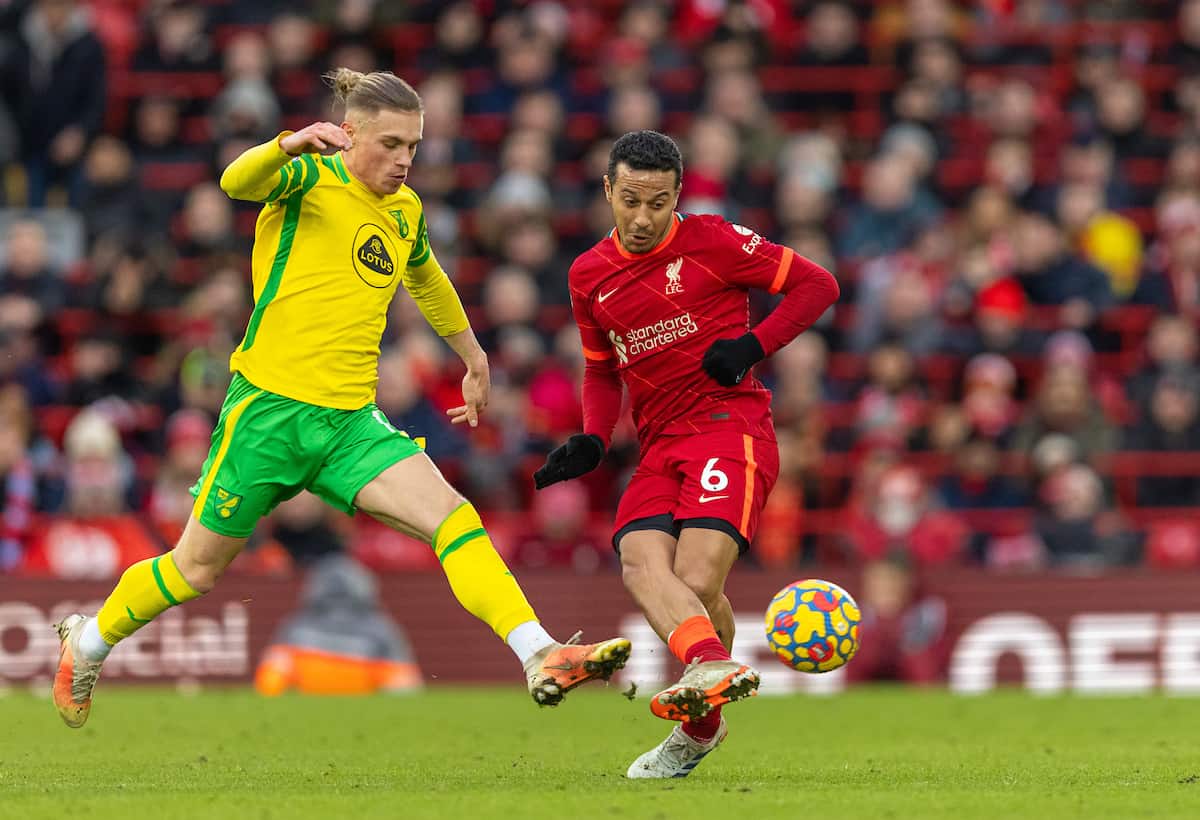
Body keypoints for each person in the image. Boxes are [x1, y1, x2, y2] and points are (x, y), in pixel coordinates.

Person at [52, 68, 630, 730]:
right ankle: (88, 643)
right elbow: (233, 182)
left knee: (453, 516)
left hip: (351, 423)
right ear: (350, 134)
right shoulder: (308, 176)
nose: (405, 159)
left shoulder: (405, 210)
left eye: (413, 144)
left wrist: (472, 354)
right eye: (391, 143)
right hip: (267, 415)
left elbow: (429, 279)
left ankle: (540, 654)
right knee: (194, 570)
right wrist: (288, 145)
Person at [534, 131, 839, 777]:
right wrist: (593, 436)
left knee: (697, 581)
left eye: (660, 203)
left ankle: (703, 693)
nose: (644, 219)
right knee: (640, 563)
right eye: (632, 201)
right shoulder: (588, 274)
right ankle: (705, 721)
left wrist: (754, 346)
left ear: (678, 197)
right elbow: (600, 370)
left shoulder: (714, 241)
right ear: (608, 192)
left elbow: (818, 286)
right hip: (659, 444)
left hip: (731, 427)